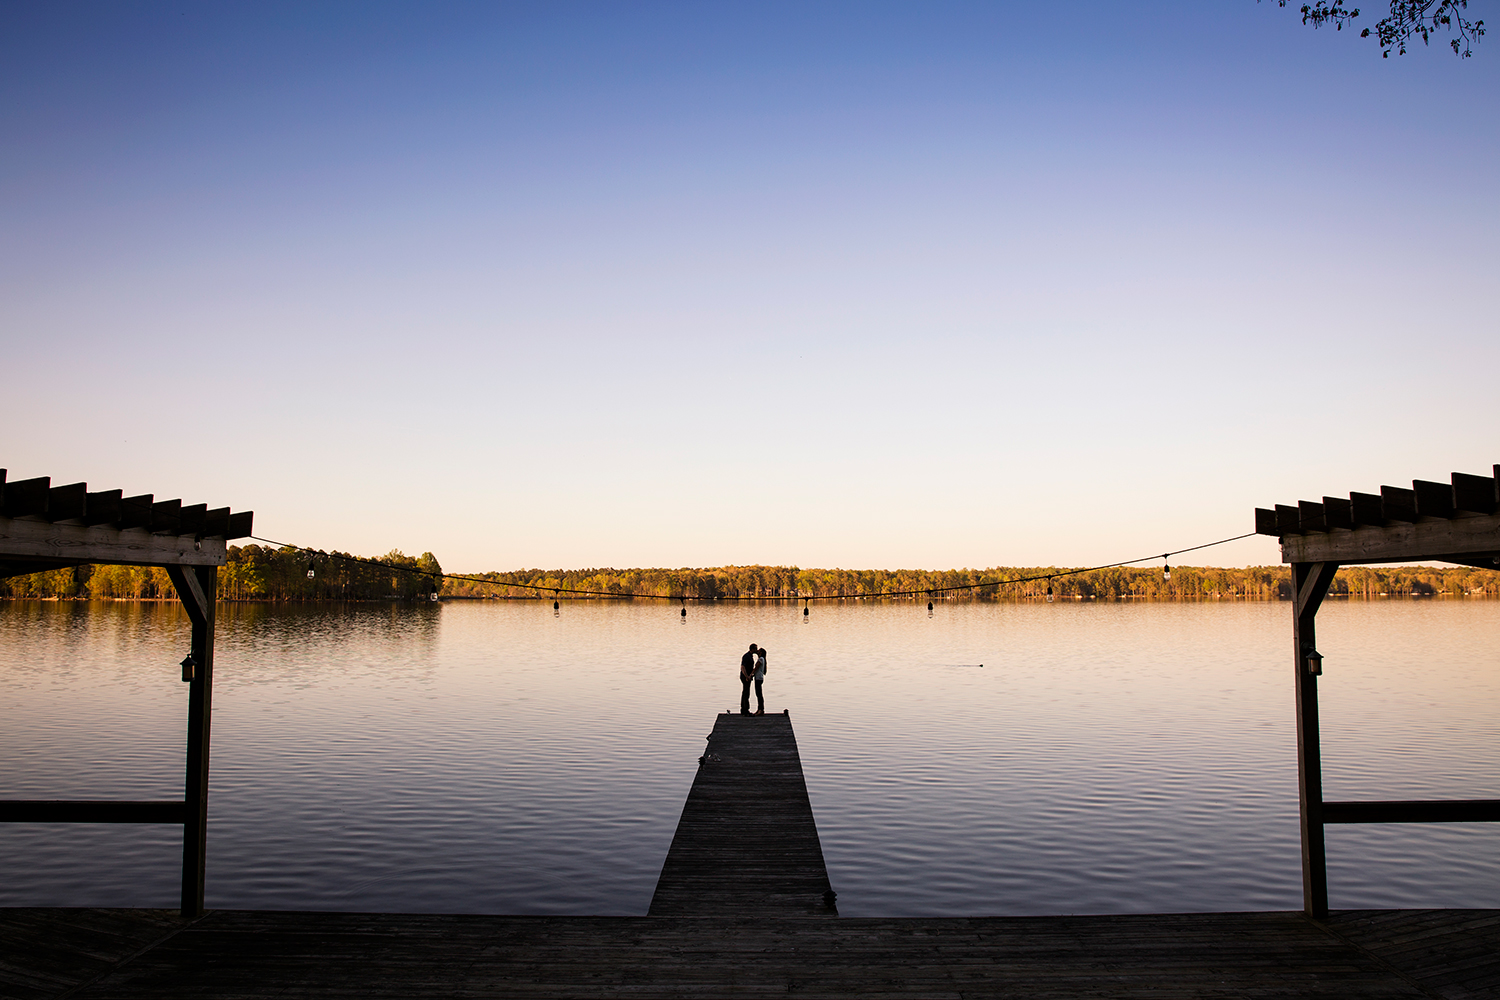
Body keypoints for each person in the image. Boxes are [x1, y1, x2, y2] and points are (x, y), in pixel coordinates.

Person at [739, 643, 758, 715]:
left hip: (748, 677)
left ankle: (744, 709)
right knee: (746, 692)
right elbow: (743, 667)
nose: (756, 650)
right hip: (745, 677)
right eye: (756, 649)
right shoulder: (746, 656)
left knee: (746, 692)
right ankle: (745, 710)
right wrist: (747, 676)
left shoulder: (750, 656)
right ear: (752, 649)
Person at [753, 647, 767, 715]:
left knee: (759, 694)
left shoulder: (761, 659)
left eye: (759, 651)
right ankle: (759, 709)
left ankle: (761, 709)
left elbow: (756, 668)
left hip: (758, 678)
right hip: (759, 678)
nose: (757, 651)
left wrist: (751, 674)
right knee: (759, 694)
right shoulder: (762, 659)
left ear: (761, 652)